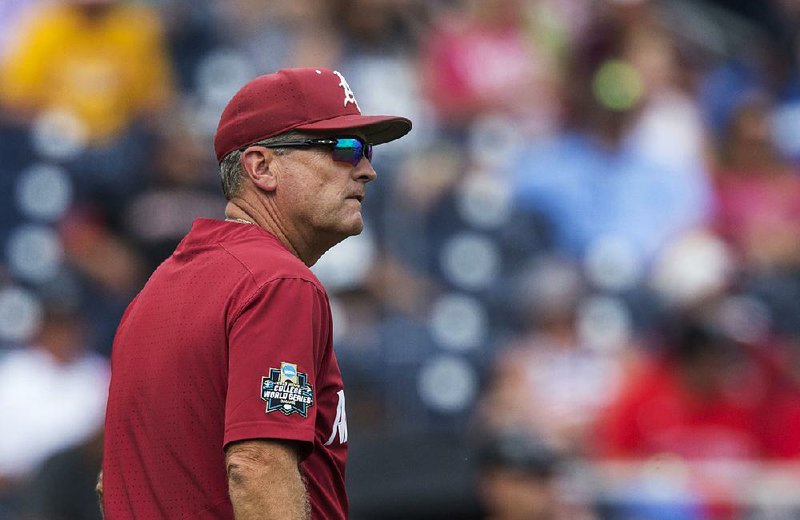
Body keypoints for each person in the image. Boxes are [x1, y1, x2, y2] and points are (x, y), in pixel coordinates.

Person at [101, 67, 411, 519]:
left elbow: (110, 482)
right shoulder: (277, 282)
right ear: (262, 167)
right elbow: (256, 465)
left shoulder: (156, 288)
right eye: (344, 148)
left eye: (368, 151)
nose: (367, 171)